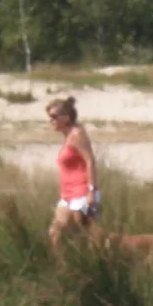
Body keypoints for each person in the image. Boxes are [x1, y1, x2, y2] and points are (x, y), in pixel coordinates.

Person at [47, 96, 99, 249]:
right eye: (49, 117)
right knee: (58, 235)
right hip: (67, 195)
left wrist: (91, 191)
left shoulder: (77, 135)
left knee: (78, 236)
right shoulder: (68, 137)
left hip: (81, 193)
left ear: (66, 117)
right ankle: (66, 267)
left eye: (54, 117)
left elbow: (90, 161)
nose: (51, 121)